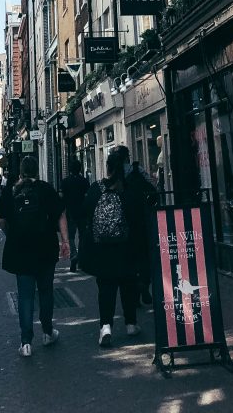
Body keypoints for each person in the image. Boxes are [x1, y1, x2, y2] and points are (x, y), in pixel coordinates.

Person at [0, 155, 70, 358]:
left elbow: (0, 219)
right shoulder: (45, 189)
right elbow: (61, 213)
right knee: (46, 291)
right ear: (37, 171)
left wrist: (10, 235)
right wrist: (66, 241)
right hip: (45, 248)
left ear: (20, 171)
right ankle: (47, 333)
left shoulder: (11, 191)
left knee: (26, 295)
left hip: (20, 250)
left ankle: (26, 342)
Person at [79, 147, 146, 347]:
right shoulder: (128, 189)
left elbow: (86, 214)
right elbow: (138, 219)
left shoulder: (95, 188)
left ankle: (106, 327)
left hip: (103, 250)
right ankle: (131, 323)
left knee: (106, 288)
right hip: (125, 248)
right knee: (128, 284)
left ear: (107, 167)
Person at [117, 144, 158, 305]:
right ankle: (144, 284)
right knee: (144, 254)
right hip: (141, 219)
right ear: (128, 156)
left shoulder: (116, 174)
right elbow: (153, 187)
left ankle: (133, 293)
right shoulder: (137, 170)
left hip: (124, 221)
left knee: (129, 257)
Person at [60, 158, 90, 272]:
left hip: (70, 212)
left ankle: (74, 254)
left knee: (71, 237)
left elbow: (62, 197)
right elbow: (87, 196)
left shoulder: (65, 182)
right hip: (82, 212)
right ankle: (81, 259)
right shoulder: (84, 181)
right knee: (82, 236)